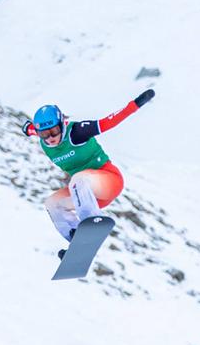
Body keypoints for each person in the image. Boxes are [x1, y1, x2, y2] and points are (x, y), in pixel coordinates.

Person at [23, 91, 156, 246]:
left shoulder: (77, 133)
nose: (50, 138)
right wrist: (29, 129)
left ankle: (91, 227)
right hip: (87, 197)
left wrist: (135, 105)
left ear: (62, 125)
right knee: (52, 204)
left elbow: (108, 122)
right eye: (44, 134)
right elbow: (30, 129)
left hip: (109, 181)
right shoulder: (42, 137)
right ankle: (76, 241)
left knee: (78, 179)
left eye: (54, 131)